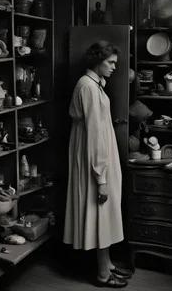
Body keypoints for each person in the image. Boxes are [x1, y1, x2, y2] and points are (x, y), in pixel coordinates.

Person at [63, 41, 132, 288]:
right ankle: (103, 273)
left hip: (101, 156)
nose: (114, 67)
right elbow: (93, 135)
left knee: (106, 213)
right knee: (100, 212)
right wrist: (100, 177)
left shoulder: (95, 85)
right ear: (96, 60)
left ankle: (109, 263)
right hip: (95, 160)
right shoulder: (88, 88)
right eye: (110, 62)